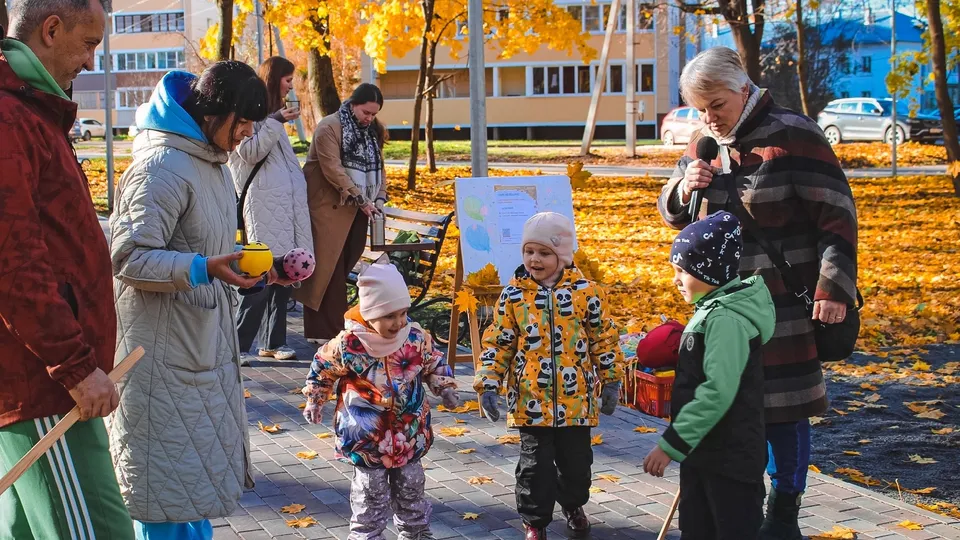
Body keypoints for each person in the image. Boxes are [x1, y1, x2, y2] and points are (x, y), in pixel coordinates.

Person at [656, 46, 858, 539]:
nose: (709, 118)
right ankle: (741, 501)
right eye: (700, 109)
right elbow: (673, 210)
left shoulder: (793, 134)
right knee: (730, 406)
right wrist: (685, 187)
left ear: (742, 88)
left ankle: (785, 510)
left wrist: (833, 287)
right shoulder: (705, 141)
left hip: (780, 306)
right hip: (722, 308)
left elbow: (837, 214)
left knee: (782, 412)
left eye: (716, 105)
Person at [109, 61, 271, 540]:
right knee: (164, 494)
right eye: (241, 121)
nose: (246, 132)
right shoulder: (160, 166)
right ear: (214, 111)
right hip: (160, 356)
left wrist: (252, 267)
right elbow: (128, 257)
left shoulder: (210, 162)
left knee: (186, 484)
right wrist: (202, 268)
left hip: (198, 350)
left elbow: (203, 247)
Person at [0, 1, 135, 538]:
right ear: (51, 29)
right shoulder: (11, 118)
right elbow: (15, 266)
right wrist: (76, 369)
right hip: (44, 388)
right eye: (88, 43)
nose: (91, 59)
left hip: (43, 384)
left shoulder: (33, 113)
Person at [474, 212, 625, 540]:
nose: (534, 259)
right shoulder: (513, 296)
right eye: (529, 251)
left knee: (577, 465)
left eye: (544, 252)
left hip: (576, 402)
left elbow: (603, 337)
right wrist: (487, 382)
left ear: (563, 255)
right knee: (534, 468)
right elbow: (498, 341)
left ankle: (573, 504)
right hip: (531, 400)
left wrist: (611, 378)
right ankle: (535, 521)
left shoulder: (587, 293)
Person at [301, 261, 458, 540]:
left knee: (412, 489)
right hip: (366, 438)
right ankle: (367, 535)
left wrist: (444, 386)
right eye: (389, 316)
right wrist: (315, 398)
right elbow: (322, 367)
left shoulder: (415, 337)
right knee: (370, 495)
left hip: (410, 434)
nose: (398, 322)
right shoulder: (349, 343)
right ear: (370, 312)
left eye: (403, 313)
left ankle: (416, 533)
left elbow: (433, 363)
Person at [643, 211, 775, 539]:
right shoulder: (713, 312)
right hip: (706, 452)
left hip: (728, 461)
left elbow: (718, 391)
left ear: (708, 271)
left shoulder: (726, 322)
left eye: (681, 271)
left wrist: (671, 445)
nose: (675, 279)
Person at [229, 56, 313, 362]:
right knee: (261, 274)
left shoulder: (273, 121)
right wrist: (275, 122)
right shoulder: (252, 116)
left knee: (285, 274)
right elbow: (249, 153)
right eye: (287, 79)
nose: (291, 85)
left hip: (284, 207)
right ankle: (239, 345)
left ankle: (274, 342)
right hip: (263, 205)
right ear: (274, 78)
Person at [296, 83, 387, 345]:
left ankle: (329, 329)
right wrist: (360, 198)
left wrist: (379, 197)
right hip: (329, 209)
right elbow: (332, 168)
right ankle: (328, 331)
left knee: (344, 265)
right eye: (366, 112)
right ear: (353, 104)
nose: (369, 118)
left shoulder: (370, 132)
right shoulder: (329, 126)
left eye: (373, 114)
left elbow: (379, 168)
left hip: (359, 209)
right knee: (329, 271)